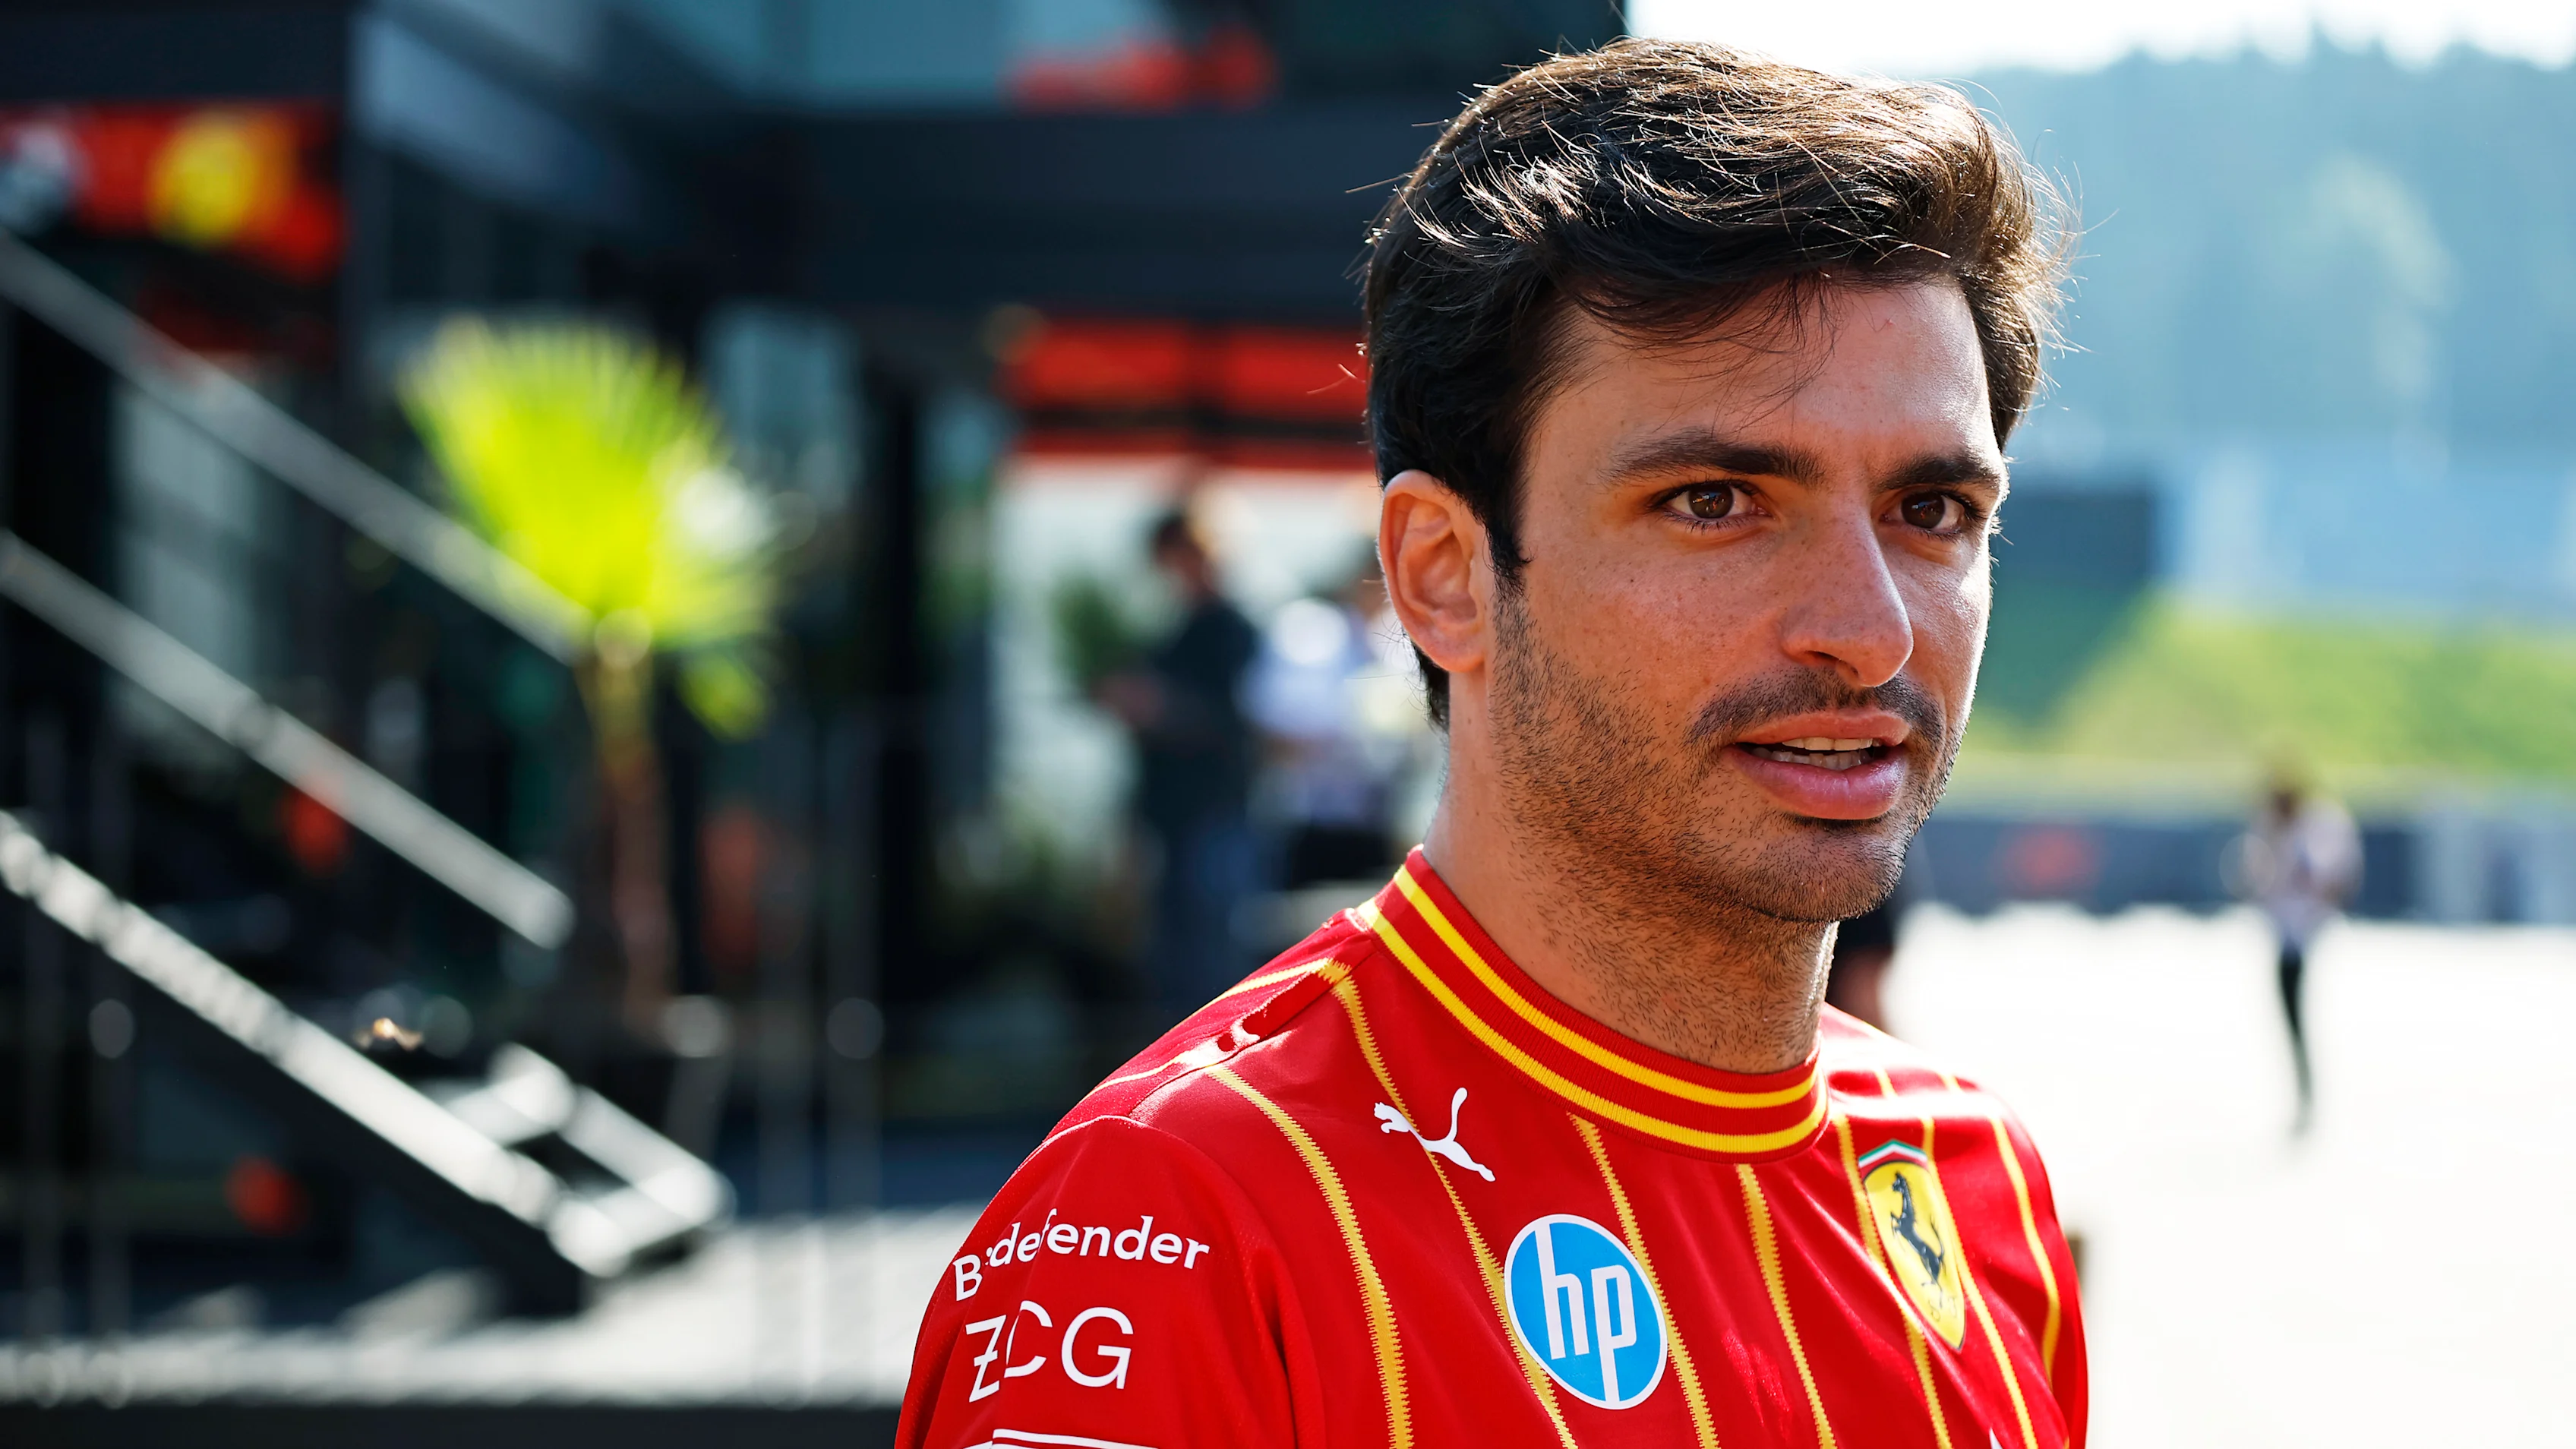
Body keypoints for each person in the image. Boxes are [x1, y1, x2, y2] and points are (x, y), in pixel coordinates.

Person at [903, 39, 2085, 1448]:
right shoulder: (1178, 1221)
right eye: (1715, 501)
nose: (1869, 631)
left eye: (1933, 509)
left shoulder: (1978, 1181)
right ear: (1443, 572)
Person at [1097, 508, 1264, 1017]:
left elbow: (1243, 725)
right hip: (1171, 818)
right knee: (1173, 965)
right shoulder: (1173, 631)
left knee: (1210, 969)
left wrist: (1161, 707)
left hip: (1215, 815)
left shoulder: (1233, 631)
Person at [2237, 769, 2361, 1131]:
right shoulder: (2272, 830)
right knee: (2292, 1022)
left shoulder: (2319, 827)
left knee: (2297, 1020)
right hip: (2289, 935)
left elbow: (2331, 878)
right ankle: (2304, 1098)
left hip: (2306, 935)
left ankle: (2307, 1100)